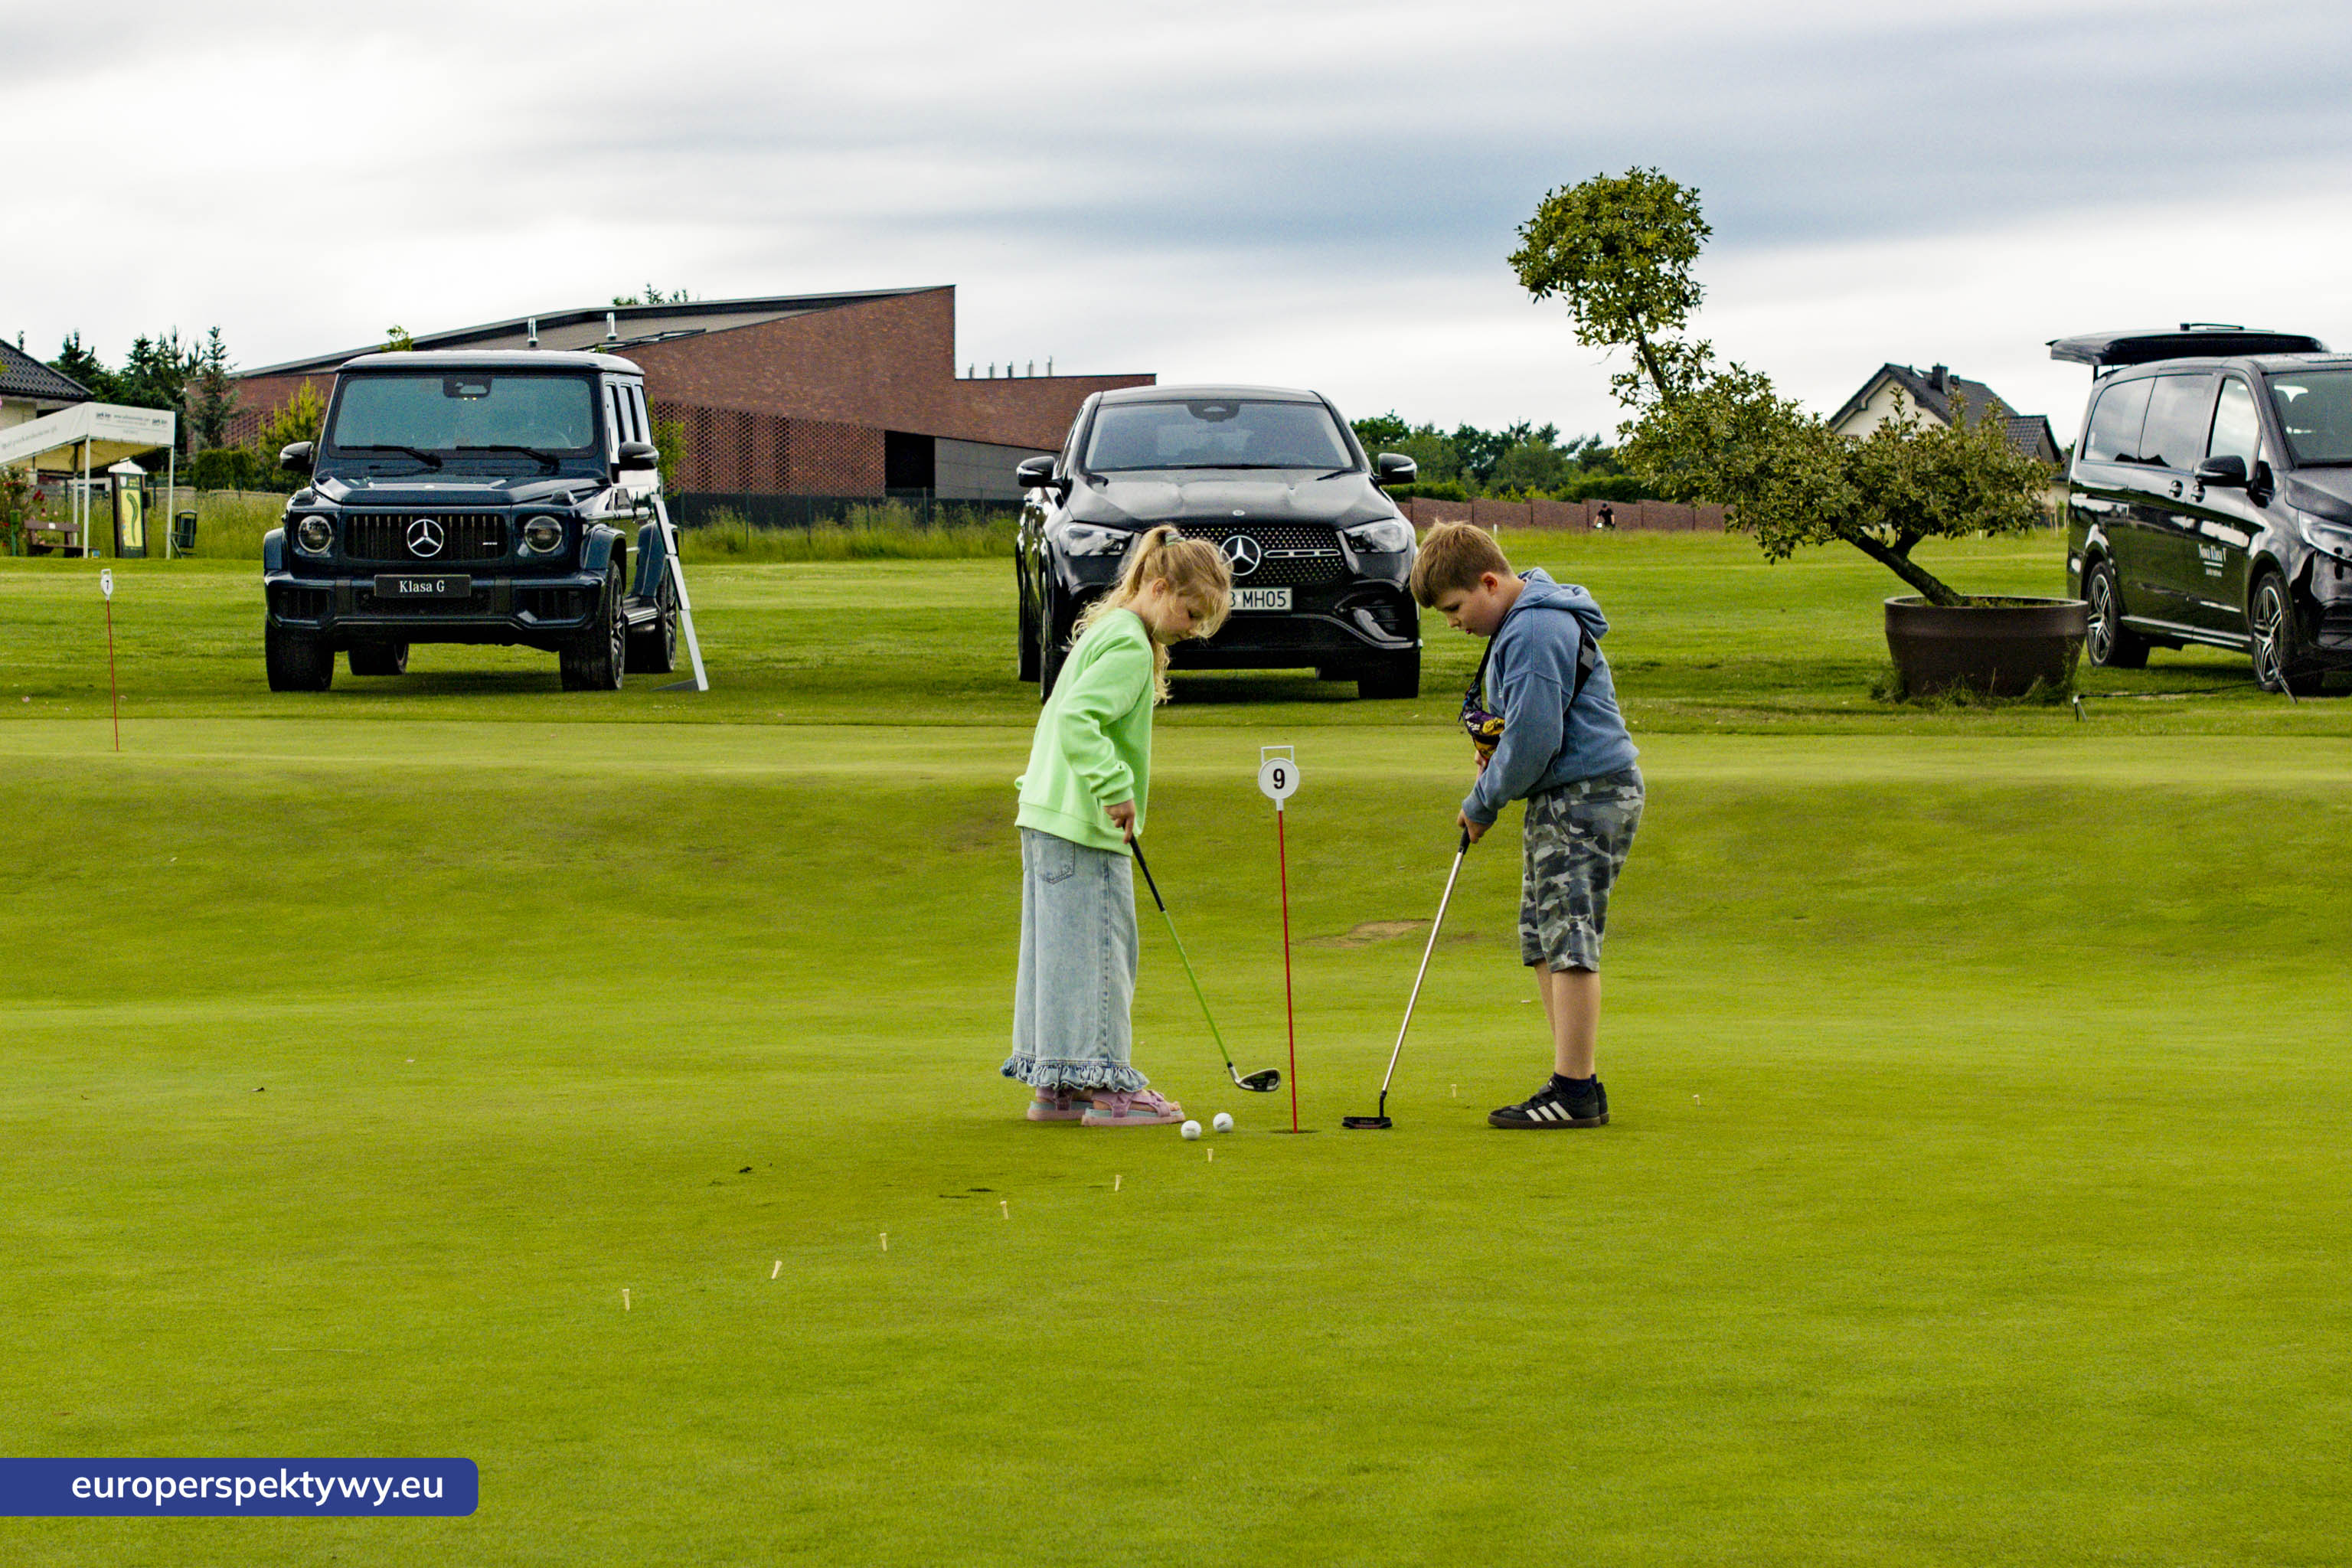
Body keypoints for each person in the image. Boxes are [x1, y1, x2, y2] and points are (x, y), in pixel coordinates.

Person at [1409, 521, 1643, 1129]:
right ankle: (1575, 1079)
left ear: (1489, 583)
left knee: (1568, 935)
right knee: (1543, 934)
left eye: (1455, 608)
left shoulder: (1535, 629)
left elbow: (1537, 738)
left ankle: (1574, 1090)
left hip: (1585, 792)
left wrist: (1483, 800)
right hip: (1564, 794)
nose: (1454, 623)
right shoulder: (1524, 621)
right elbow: (1524, 727)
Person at [1003, 525, 1233, 1126]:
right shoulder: (1130, 646)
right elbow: (1078, 719)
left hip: (1047, 815)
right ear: (1158, 588)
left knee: (1058, 961)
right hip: (1083, 825)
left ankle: (1058, 1088)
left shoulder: (1108, 629)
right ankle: (1110, 1090)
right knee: (1105, 956)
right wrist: (1116, 789)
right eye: (1190, 613)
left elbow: (1060, 713)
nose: (1191, 629)